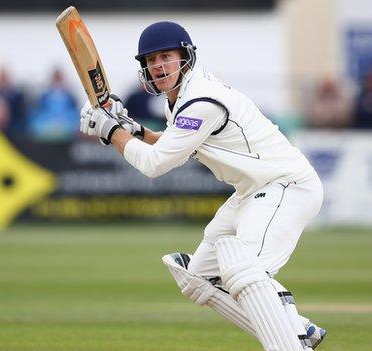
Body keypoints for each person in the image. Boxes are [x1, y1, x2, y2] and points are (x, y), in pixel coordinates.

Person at [78, 22, 326, 351]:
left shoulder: (202, 101)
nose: (158, 66)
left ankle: (291, 344)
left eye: (166, 56)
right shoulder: (179, 100)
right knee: (198, 277)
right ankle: (298, 327)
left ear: (186, 56)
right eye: (151, 61)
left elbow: (155, 165)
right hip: (253, 192)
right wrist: (131, 129)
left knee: (244, 271)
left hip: (286, 187)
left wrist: (112, 132)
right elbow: (175, 148)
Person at [27, 68, 79, 140]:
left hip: (67, 133)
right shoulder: (43, 98)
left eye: (59, 80)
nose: (57, 83)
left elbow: (75, 116)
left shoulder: (70, 98)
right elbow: (37, 118)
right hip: (46, 133)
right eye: (56, 80)